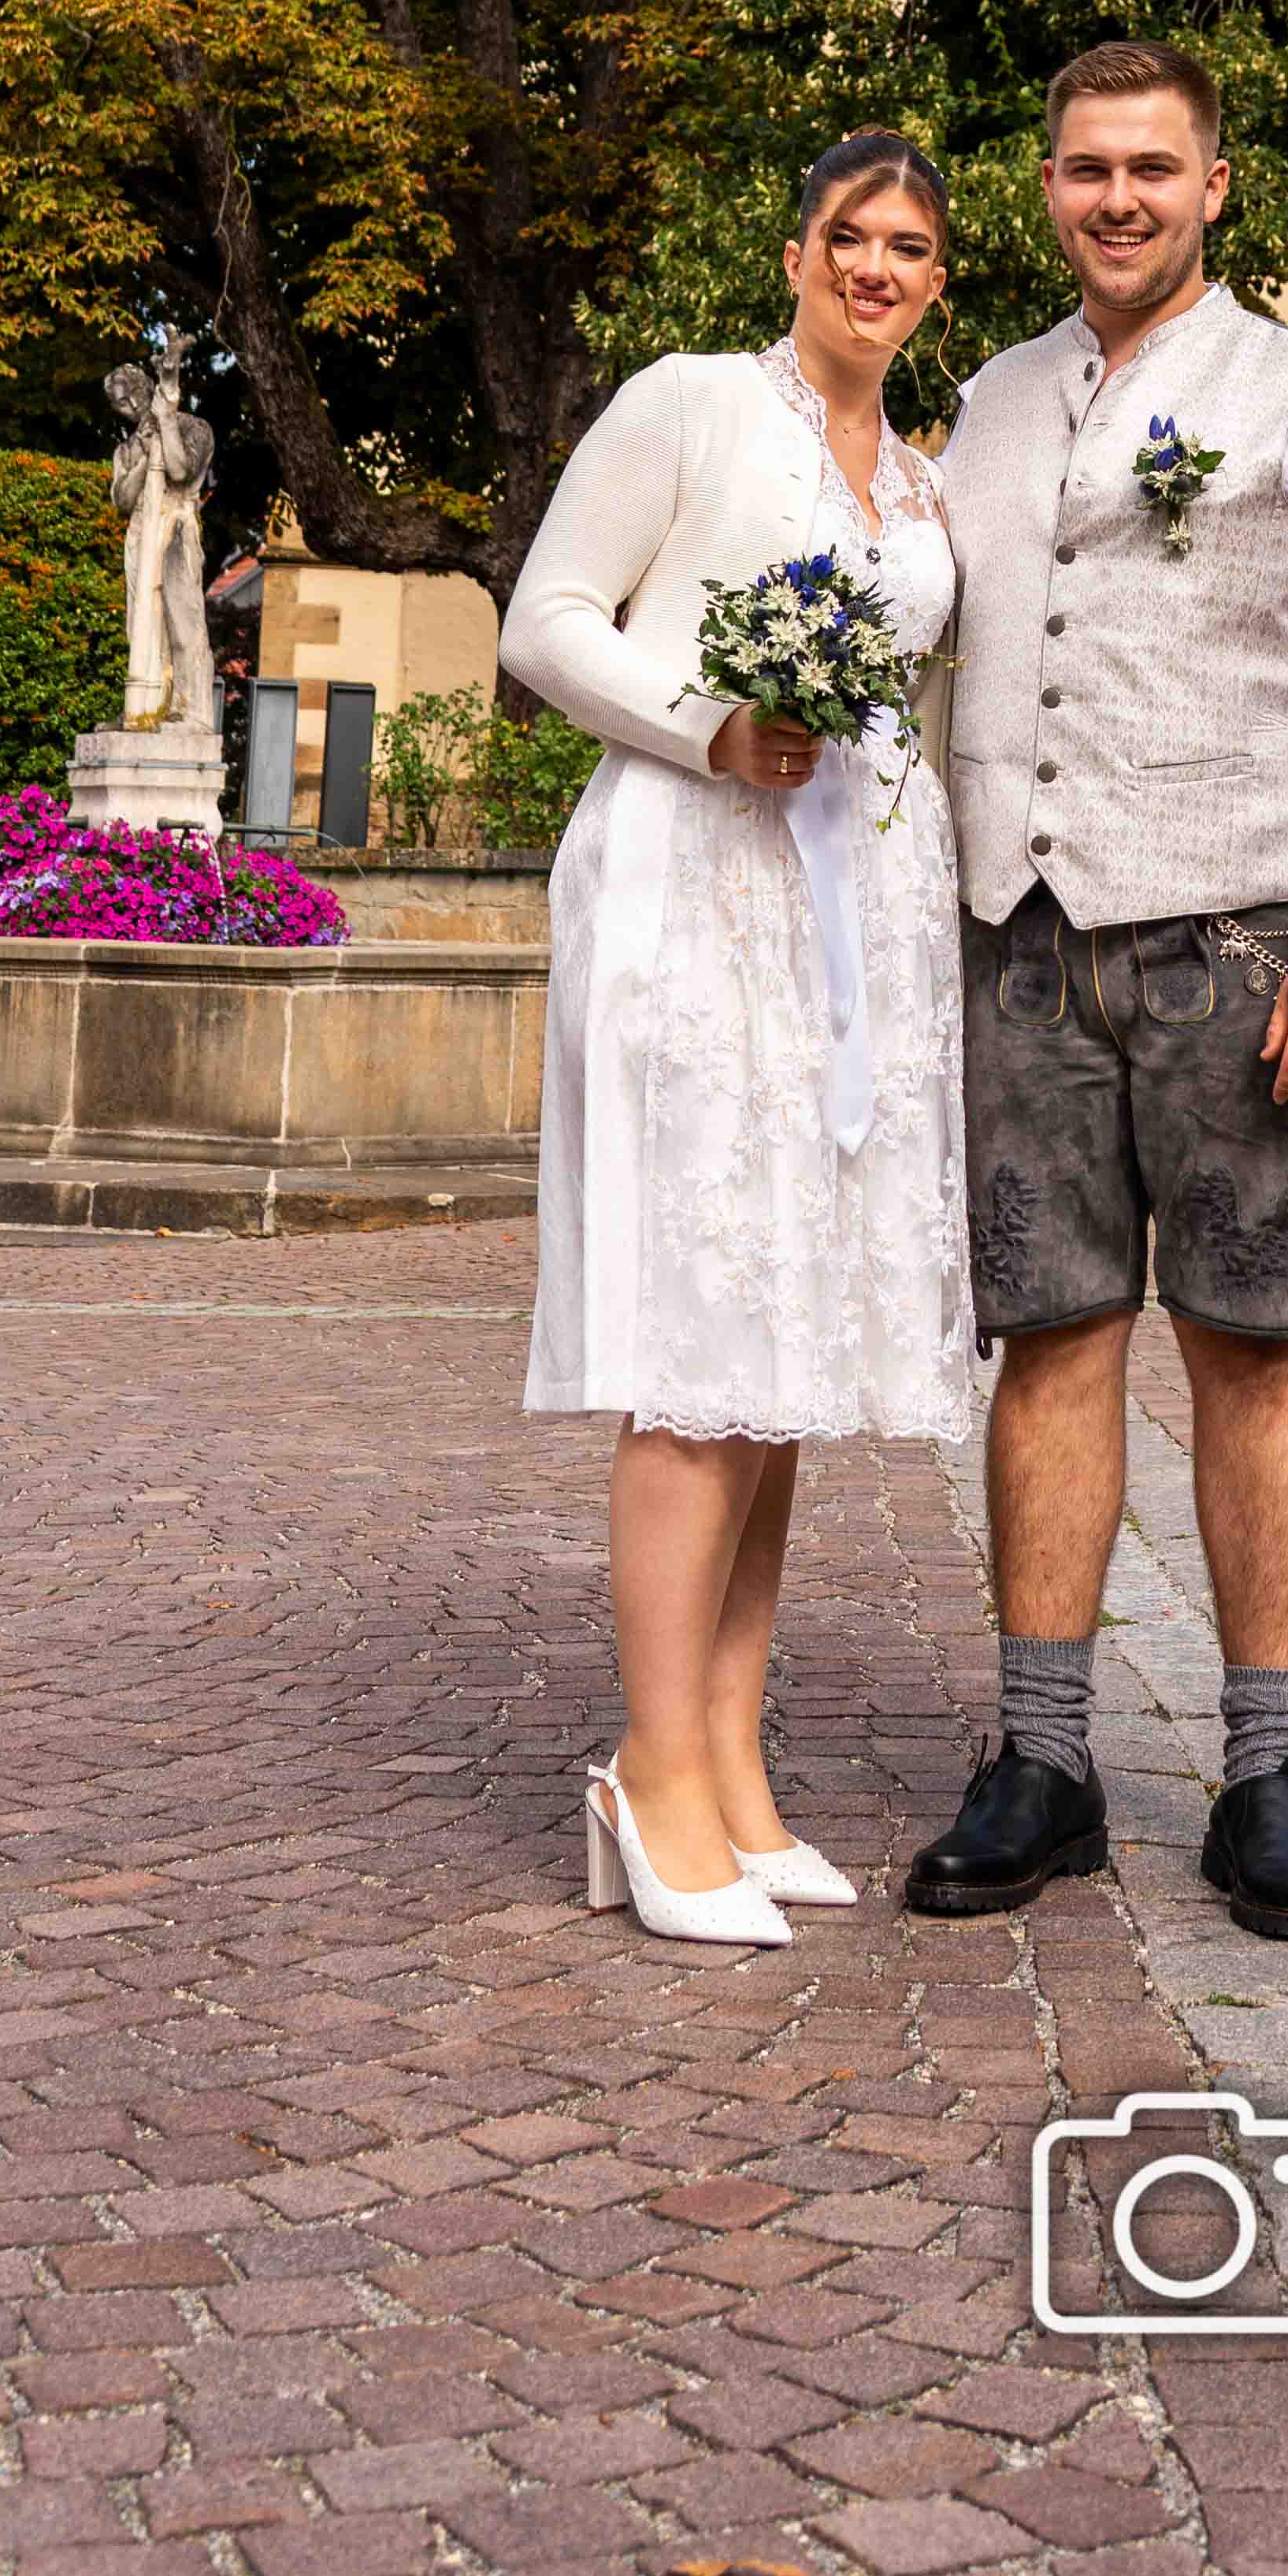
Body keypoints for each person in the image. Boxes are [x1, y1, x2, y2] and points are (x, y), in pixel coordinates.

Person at [908, 39, 1288, 1952]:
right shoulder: (976, 402)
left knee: (1249, 1339)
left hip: (1235, 941)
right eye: (1080, 169)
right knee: (1045, 1339)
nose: (1113, 197)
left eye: (1149, 167)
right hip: (1018, 937)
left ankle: (1267, 1776)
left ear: (1215, 185)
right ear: (1043, 189)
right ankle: (1042, 1762)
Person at [501, 136, 974, 1950]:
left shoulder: (926, 488)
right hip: (697, 890)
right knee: (700, 1345)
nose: (875, 266)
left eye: (909, 246)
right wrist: (706, 728)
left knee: (785, 1358)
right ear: (795, 254)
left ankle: (733, 1763)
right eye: (848, 236)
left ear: (938, 282)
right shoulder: (693, 405)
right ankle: (645, 1767)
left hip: (856, 923)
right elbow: (546, 622)